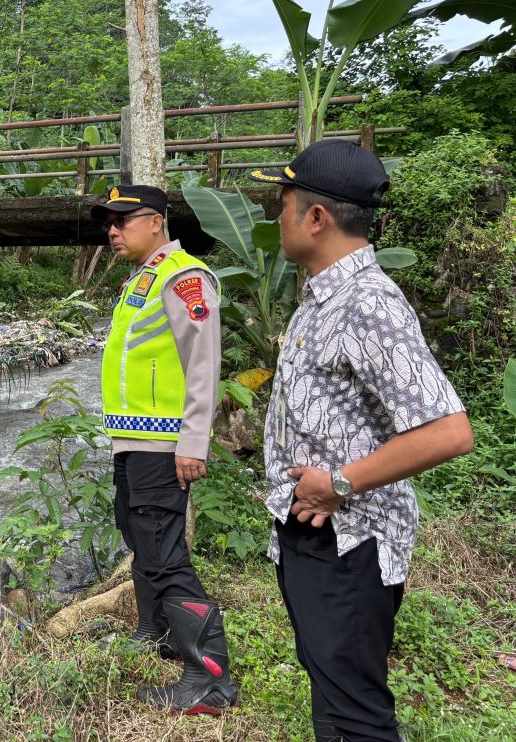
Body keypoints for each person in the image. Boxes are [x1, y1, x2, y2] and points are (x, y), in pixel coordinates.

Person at [249, 140, 474, 742]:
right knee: (335, 692)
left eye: (283, 202)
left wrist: (337, 483)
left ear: (316, 218)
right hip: (314, 534)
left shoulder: (367, 303)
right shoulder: (323, 293)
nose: (277, 216)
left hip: (349, 544)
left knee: (356, 717)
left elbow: (449, 431)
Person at [91, 183, 238, 715]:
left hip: (162, 444)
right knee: (141, 539)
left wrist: (193, 443)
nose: (112, 230)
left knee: (165, 552)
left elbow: (203, 364)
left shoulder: (185, 278)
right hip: (132, 440)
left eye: (122, 221)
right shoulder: (142, 279)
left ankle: (210, 676)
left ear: (156, 222)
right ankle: (154, 633)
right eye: (108, 222)